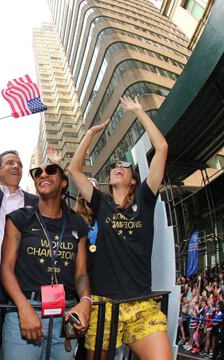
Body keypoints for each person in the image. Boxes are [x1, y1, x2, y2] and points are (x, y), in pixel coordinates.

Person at [67, 95, 171, 359]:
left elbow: (162, 147)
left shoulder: (145, 200)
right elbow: (74, 169)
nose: (117, 167)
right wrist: (89, 134)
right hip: (104, 306)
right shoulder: (100, 203)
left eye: (124, 166)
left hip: (141, 305)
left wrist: (139, 112)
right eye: (114, 166)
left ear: (134, 180)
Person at [0, 162, 91, 359]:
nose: (42, 174)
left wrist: (85, 300)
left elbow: (81, 273)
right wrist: (24, 308)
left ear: (64, 183)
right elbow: (6, 268)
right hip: (25, 311)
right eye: (37, 173)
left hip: (65, 314)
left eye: (50, 171)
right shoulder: (19, 218)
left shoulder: (78, 223)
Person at [0, 150, 38, 355]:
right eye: (10, 163)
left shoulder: (35, 202)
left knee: (17, 338)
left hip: (20, 282)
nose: (16, 166)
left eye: (19, 164)